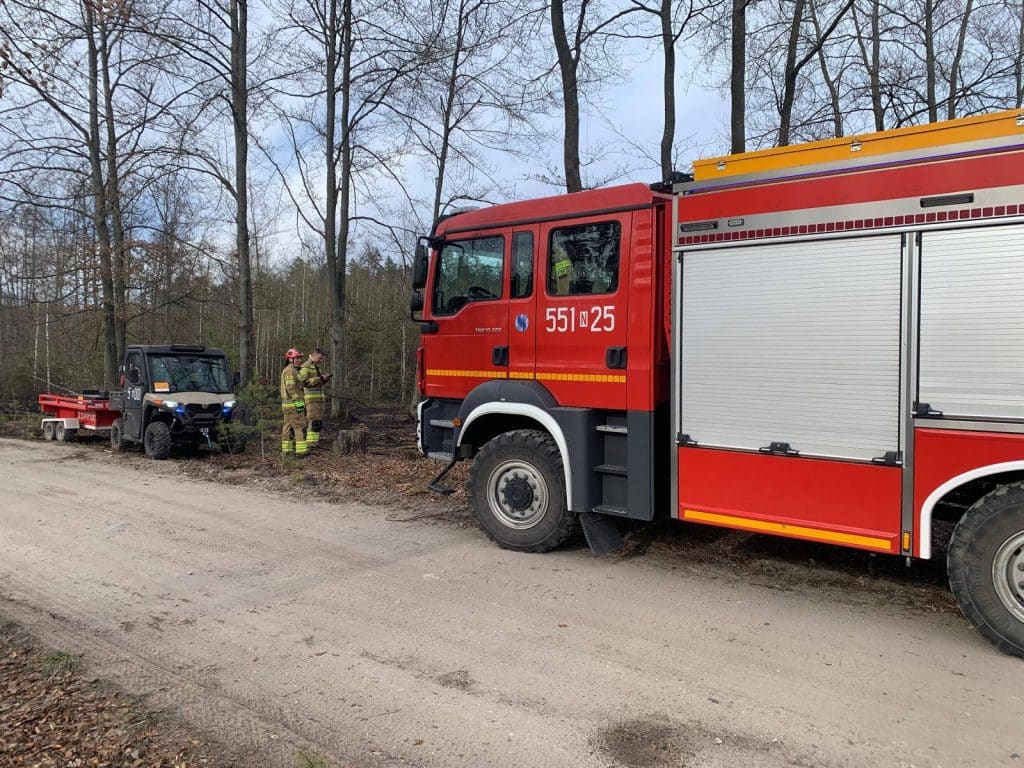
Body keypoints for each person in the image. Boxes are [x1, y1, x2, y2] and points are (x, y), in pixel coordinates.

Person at [299, 348, 332, 448]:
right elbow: (304, 383)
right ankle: (310, 443)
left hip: (319, 399)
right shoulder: (305, 367)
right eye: (320, 358)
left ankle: (314, 442)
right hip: (311, 400)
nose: (321, 361)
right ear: (313, 355)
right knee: (313, 421)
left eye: (322, 359)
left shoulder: (317, 367)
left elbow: (319, 384)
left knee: (318, 421)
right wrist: (319, 378)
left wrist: (325, 379)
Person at [280, 347, 309, 458]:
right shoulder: (290, 370)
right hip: (293, 404)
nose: (298, 360)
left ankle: (286, 451)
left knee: (287, 427)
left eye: (299, 358)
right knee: (299, 426)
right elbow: (290, 388)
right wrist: (299, 402)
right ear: (290, 359)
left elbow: (302, 382)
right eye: (296, 358)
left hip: (288, 405)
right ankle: (301, 452)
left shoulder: (293, 370)